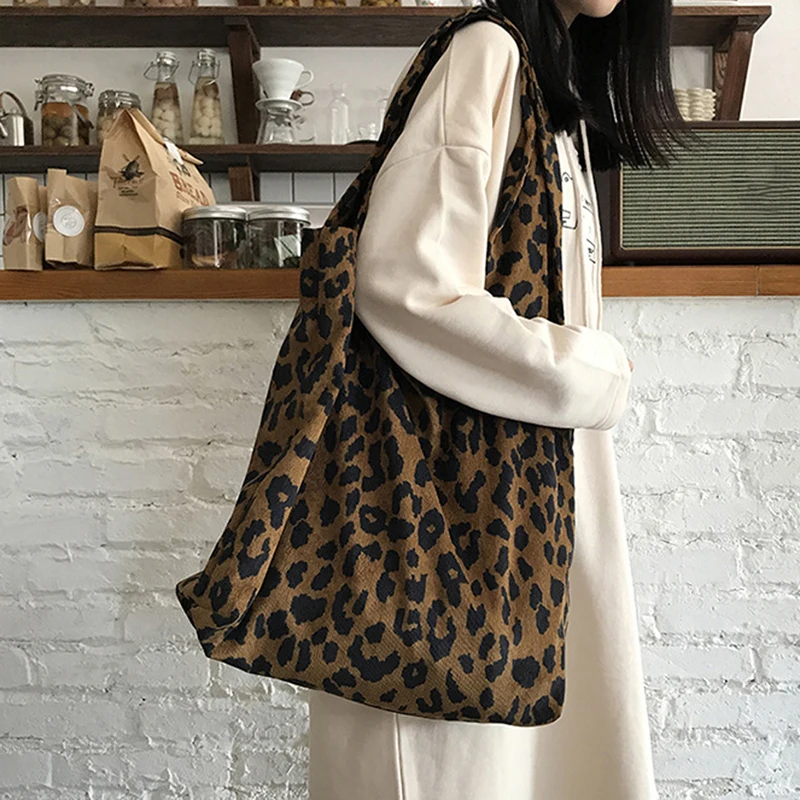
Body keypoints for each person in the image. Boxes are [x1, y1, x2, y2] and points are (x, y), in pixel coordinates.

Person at [307, 1, 691, 798]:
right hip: (453, 521)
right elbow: (404, 282)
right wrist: (590, 371)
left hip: (532, 505)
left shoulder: (553, 94)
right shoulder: (487, 53)